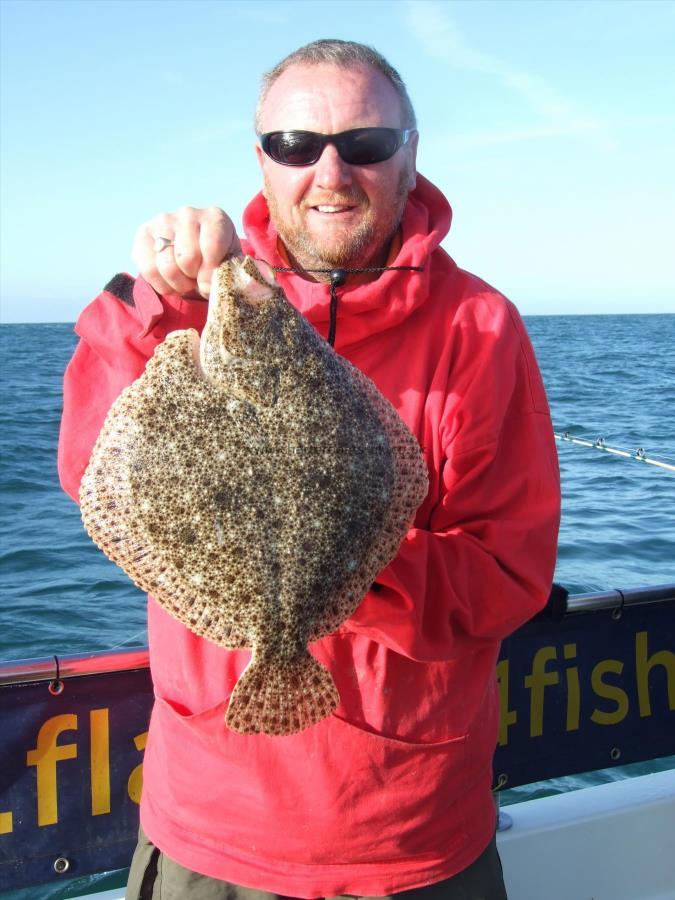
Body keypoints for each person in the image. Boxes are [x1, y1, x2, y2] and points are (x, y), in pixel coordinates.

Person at [59, 39, 560, 900]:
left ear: (409, 155)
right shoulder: (188, 306)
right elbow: (91, 478)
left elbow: (506, 575)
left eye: (364, 144)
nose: (330, 171)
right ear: (262, 160)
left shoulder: (479, 326)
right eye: (296, 146)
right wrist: (155, 308)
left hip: (412, 840)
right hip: (209, 831)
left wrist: (333, 559)